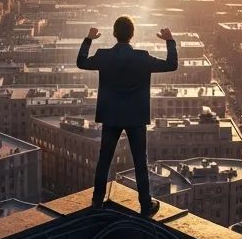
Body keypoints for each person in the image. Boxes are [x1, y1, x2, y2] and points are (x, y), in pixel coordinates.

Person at [76, 15, 178, 215]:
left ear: (114, 33)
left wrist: (88, 39)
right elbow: (171, 64)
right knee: (140, 161)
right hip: (136, 117)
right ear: (132, 34)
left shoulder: (104, 56)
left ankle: (97, 201)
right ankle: (145, 204)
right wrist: (169, 40)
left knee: (104, 159)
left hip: (111, 116)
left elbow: (81, 62)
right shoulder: (142, 58)